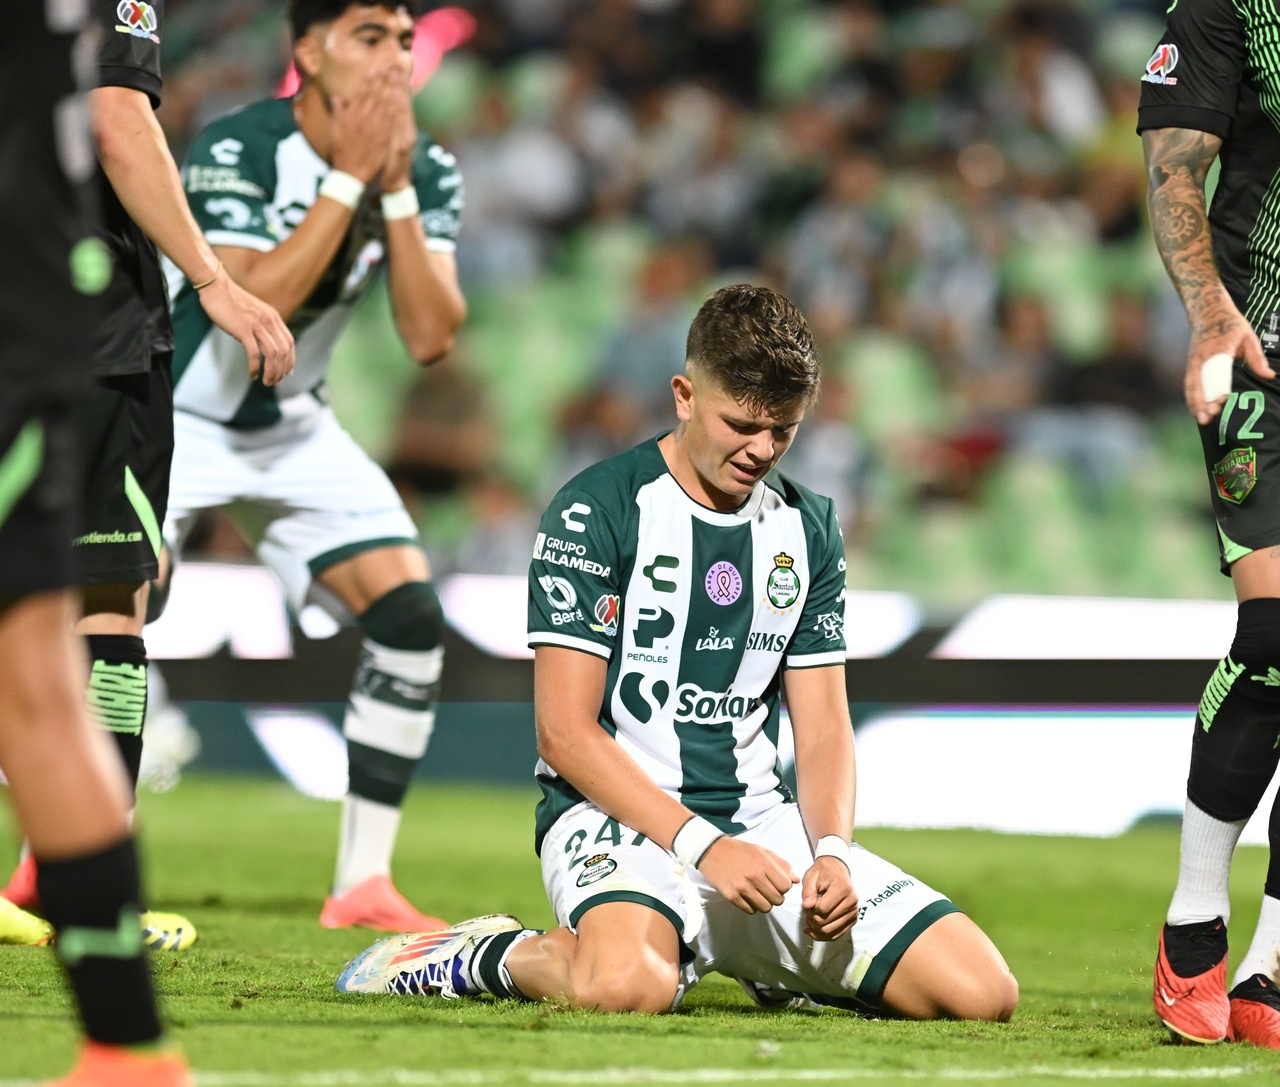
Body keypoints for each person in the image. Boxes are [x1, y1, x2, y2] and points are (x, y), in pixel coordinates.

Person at [335, 285, 1018, 1020]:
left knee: (981, 993)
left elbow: (823, 728)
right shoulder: (595, 509)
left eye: (783, 431)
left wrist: (833, 854)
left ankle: (765, 958)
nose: (761, 450)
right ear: (685, 395)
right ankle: (475, 953)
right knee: (625, 986)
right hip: (616, 821)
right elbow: (563, 733)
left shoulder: (808, 527)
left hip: (759, 830)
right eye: (743, 424)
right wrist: (702, 846)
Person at [154, 0, 467, 932]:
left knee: (411, 617)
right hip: (177, 414)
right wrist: (349, 181)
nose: (393, 59)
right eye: (370, 37)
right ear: (309, 51)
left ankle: (362, 882)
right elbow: (251, 306)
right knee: (117, 607)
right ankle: (56, 864)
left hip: (294, 425)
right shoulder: (239, 145)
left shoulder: (429, 165)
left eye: (405, 41)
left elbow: (429, 332)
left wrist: (397, 190)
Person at [1, 0, 295, 956]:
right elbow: (117, 119)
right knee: (105, 601)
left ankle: (53, 881)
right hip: (86, 330)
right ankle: (80, 888)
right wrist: (213, 278)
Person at [0, 3, 196, 1084]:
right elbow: (116, 115)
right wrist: (214, 280)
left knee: (54, 653)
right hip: (55, 332)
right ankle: (126, 1045)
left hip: (49, 331)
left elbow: (115, 116)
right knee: (48, 665)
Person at [1139, 0, 1280, 1050]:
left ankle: (1270, 961)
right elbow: (1172, 165)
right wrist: (1204, 316)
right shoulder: (1232, 4)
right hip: (1254, 346)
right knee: (1274, 635)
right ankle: (1194, 915)